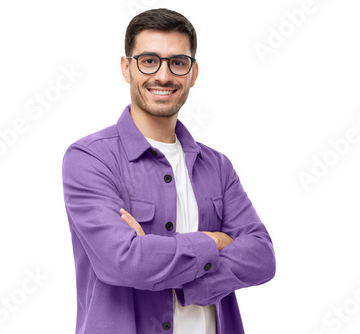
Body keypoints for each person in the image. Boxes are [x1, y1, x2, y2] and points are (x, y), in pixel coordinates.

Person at [62, 8, 276, 334]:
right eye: (149, 61)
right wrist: (214, 241)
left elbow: (262, 257)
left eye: (177, 62)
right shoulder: (90, 159)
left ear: (193, 73)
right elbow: (123, 262)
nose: (163, 76)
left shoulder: (217, 166)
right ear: (126, 68)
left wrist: (160, 261)